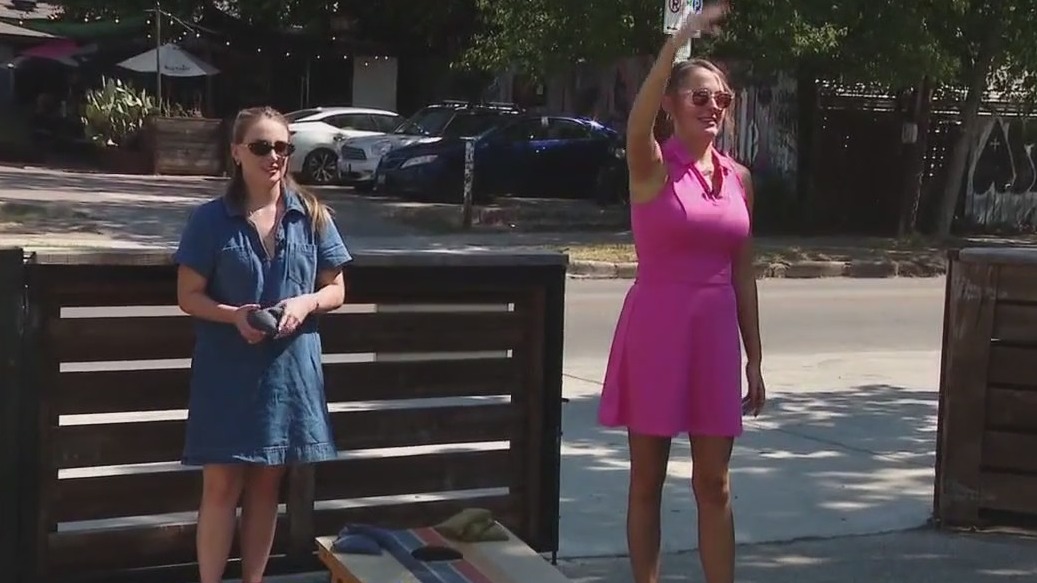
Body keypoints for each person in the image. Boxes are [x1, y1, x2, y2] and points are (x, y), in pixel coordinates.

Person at [597, 4, 765, 583]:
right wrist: (679, 42)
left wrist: (756, 358)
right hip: (658, 329)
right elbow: (634, 123)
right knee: (647, 481)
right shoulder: (653, 166)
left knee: (714, 484)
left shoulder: (739, 178)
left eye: (723, 98)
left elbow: (743, 270)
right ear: (672, 105)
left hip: (716, 334)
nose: (713, 107)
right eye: (700, 96)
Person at [173, 106, 352, 583]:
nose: (273, 156)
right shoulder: (210, 220)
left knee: (267, 488)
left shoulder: (312, 214)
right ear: (236, 152)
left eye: (282, 147)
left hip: (287, 371)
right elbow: (188, 296)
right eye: (261, 147)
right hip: (225, 370)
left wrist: (307, 303)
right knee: (220, 486)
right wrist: (235, 316)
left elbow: (337, 289)